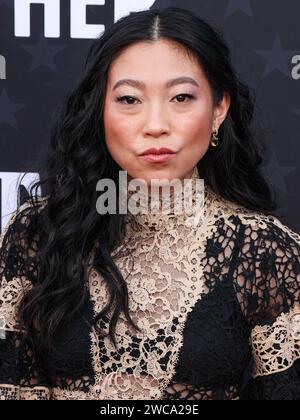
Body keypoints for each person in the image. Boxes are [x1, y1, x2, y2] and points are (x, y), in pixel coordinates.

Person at [0, 7, 299, 400]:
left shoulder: (263, 251)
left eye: (180, 97)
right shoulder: (37, 233)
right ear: (99, 111)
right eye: (129, 99)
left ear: (218, 110)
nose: (155, 124)